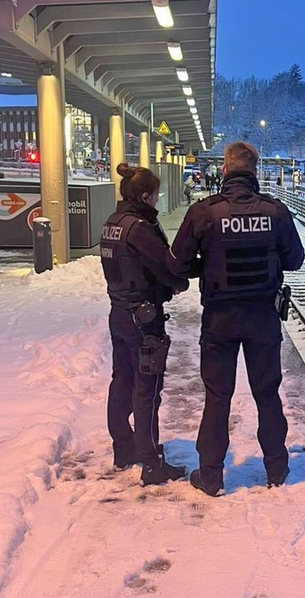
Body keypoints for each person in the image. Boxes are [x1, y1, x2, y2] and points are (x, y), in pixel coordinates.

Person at [167, 141, 305, 497]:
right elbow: (294, 261)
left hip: (220, 320)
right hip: (263, 318)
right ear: (255, 172)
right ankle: (276, 468)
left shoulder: (204, 212)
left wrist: (208, 266)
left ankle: (211, 476)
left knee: (218, 397)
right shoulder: (275, 212)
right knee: (267, 394)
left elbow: (178, 264)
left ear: (225, 170)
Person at [100, 163, 189, 486]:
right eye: (154, 195)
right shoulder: (139, 228)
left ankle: (124, 449)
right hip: (143, 318)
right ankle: (152, 463)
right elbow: (168, 268)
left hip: (119, 313)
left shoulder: (114, 223)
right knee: (147, 390)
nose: (156, 201)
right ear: (144, 195)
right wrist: (179, 282)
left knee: (121, 381)